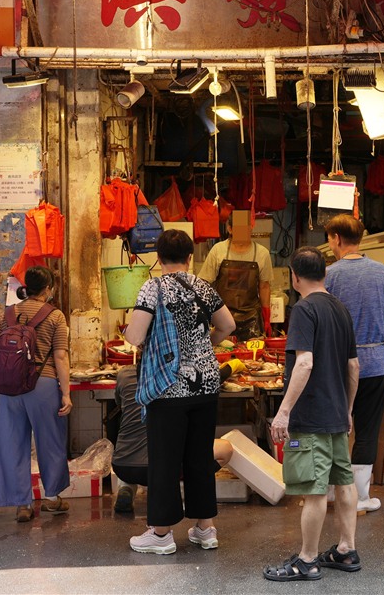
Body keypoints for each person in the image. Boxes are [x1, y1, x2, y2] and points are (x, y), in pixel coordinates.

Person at [123, 229, 236, 554]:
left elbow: (134, 336)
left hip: (169, 385)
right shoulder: (203, 287)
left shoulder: (152, 287)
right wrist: (204, 347)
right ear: (190, 258)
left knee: (165, 458)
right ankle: (205, 529)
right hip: (206, 382)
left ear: (158, 259)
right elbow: (227, 326)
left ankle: (160, 535)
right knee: (199, 456)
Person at [264, 247, 361, 582]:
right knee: (344, 482)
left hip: (312, 416)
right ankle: (346, 549)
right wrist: (347, 409)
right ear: (325, 273)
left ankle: (307, 560)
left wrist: (284, 412)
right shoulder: (340, 309)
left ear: (294, 277)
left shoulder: (304, 310)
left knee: (315, 489)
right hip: (335, 414)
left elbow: (304, 363)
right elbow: (353, 366)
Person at [324, 213, 384, 511]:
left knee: (335, 428)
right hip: (376, 363)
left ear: (337, 239)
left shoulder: (329, 275)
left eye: (329, 239)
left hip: (337, 365)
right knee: (367, 430)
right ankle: (359, 498)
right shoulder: (383, 273)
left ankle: (333, 493)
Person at [0, 266, 72, 523]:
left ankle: (23, 505)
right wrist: (67, 393)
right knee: (49, 442)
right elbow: (60, 356)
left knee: (12, 444)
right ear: (48, 289)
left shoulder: (8, 314)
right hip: (43, 385)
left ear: (26, 287)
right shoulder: (55, 316)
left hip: (9, 388)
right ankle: (52, 499)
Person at [111, 358, 246, 514]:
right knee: (225, 449)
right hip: (161, 469)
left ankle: (126, 486)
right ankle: (181, 484)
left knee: (139, 442)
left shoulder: (124, 374)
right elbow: (214, 377)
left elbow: (119, 404)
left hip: (122, 465)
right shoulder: (175, 374)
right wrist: (233, 365)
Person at [198, 210, 274, 341]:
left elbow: (264, 287)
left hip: (252, 318)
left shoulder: (262, 253)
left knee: (253, 359)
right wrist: (202, 314)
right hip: (222, 316)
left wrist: (267, 319)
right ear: (230, 229)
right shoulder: (218, 250)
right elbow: (203, 283)